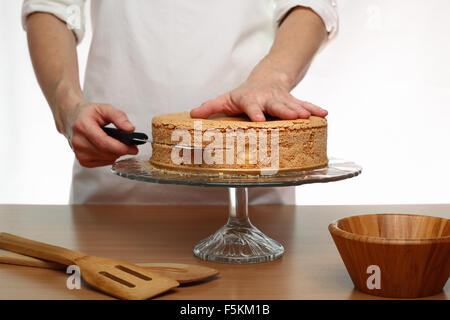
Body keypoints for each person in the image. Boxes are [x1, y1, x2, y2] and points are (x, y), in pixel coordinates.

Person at [22, 0, 338, 204]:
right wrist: (67, 106)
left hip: (255, 210)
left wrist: (273, 78)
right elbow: (52, 5)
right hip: (111, 202)